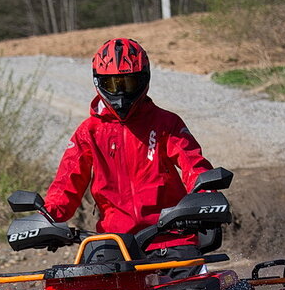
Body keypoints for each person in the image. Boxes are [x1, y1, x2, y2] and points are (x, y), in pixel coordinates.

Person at [43, 37, 213, 273]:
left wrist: (205, 197)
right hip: (113, 242)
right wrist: (47, 218)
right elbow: (66, 183)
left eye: (129, 83)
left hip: (171, 236)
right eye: (113, 84)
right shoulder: (88, 132)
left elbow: (194, 165)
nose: (121, 93)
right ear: (99, 83)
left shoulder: (166, 123)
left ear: (144, 80)